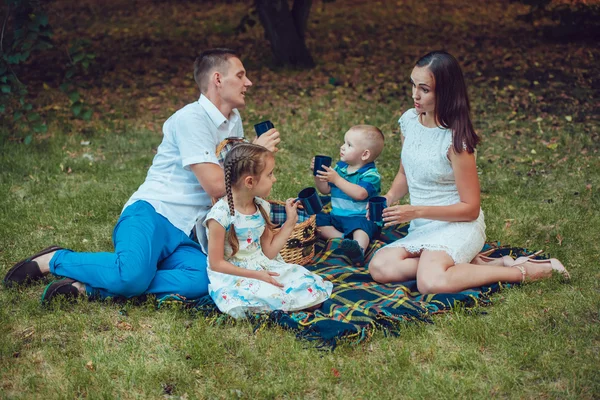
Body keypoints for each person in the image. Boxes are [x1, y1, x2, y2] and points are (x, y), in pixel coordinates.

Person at [4, 48, 281, 303]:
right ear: (218, 79)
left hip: (187, 232)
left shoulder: (233, 122)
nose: (249, 83)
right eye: (241, 75)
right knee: (131, 277)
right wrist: (255, 150)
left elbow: (234, 187)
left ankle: (86, 289)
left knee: (202, 280)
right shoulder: (191, 119)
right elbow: (216, 184)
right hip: (152, 212)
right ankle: (54, 259)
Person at [368, 51, 569, 293]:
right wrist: (389, 198)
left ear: (445, 92)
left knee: (430, 283)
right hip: (422, 226)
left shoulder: (457, 141)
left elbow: (470, 208)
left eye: (424, 89)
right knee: (380, 267)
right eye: (413, 84)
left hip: (458, 223)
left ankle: (525, 271)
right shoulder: (410, 121)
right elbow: (404, 173)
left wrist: (415, 210)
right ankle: (477, 263)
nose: (414, 95)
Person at [203, 143, 333, 318]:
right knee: (271, 296)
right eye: (269, 174)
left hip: (263, 266)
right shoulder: (219, 216)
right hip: (234, 274)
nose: (274, 179)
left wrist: (290, 221)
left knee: (309, 286)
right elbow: (216, 263)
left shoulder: (261, 206)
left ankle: (285, 304)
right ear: (250, 181)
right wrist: (256, 275)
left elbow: (269, 252)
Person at [311, 125, 384, 263]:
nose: (342, 147)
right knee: (317, 219)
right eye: (344, 142)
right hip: (337, 217)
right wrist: (318, 174)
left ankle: (358, 250)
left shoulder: (371, 175)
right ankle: (345, 239)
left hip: (360, 217)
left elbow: (360, 194)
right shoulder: (341, 168)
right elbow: (325, 190)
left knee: (362, 229)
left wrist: (337, 179)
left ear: (365, 154)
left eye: (349, 145)